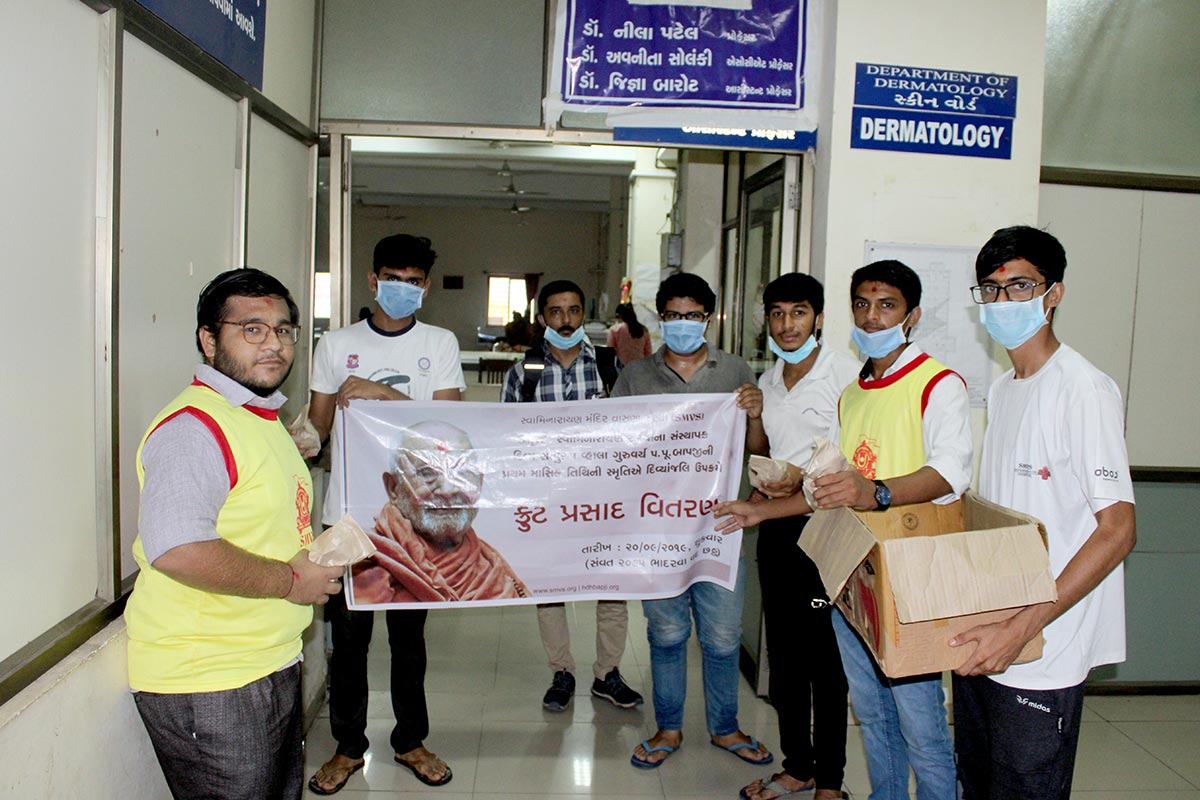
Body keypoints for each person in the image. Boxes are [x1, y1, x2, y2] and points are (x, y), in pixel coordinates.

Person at [715, 261, 972, 800]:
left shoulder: (938, 383)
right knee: (873, 711)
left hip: (909, 568)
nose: (872, 317)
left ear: (912, 315)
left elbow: (951, 473)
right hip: (851, 562)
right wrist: (759, 512)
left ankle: (841, 782)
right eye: (863, 304)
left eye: (887, 306)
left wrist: (876, 492)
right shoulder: (855, 392)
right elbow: (828, 485)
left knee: (920, 723)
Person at [125, 268, 344, 800]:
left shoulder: (258, 417)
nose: (274, 344)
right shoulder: (195, 428)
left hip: (265, 661)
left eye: (284, 330)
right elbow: (178, 549)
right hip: (212, 680)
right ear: (208, 339)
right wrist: (292, 581)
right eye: (252, 329)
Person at [950, 226, 1136, 799]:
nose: (1003, 301)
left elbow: (1118, 530)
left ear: (1053, 293)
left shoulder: (1084, 390)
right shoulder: (1005, 389)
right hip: (990, 633)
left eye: (1020, 286)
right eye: (991, 288)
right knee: (977, 782)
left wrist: (1022, 626)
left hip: (1044, 645)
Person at [306, 233, 466, 795]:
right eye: (393, 278)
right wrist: (287, 434)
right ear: (373, 281)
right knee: (349, 639)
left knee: (409, 638)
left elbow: (446, 427)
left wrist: (380, 393)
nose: (403, 288)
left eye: (414, 281)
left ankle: (410, 741)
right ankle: (348, 747)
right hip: (349, 516)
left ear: (426, 287)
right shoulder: (335, 345)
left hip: (413, 516)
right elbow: (316, 429)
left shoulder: (439, 343)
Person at [609, 272, 773, 770]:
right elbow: (613, 447)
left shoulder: (735, 371)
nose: (683, 324)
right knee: (666, 634)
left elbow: (758, 451)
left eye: (693, 315)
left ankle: (725, 727)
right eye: (674, 315)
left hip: (719, 528)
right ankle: (668, 728)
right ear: (661, 318)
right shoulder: (635, 377)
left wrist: (756, 414)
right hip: (657, 531)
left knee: (722, 636)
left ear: (709, 318)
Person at [715, 273, 860, 800]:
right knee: (785, 657)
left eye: (798, 312)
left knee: (826, 661)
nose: (786, 324)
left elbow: (850, 465)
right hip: (777, 528)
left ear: (818, 318)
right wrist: (755, 414)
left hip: (828, 529)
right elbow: (763, 450)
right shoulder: (770, 378)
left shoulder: (849, 376)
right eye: (776, 314)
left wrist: (792, 489)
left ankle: (831, 781)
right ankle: (797, 766)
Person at [500, 279, 644, 712]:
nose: (566, 320)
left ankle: (607, 674)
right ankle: (561, 671)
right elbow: (503, 438)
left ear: (584, 314)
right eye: (556, 311)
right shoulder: (523, 373)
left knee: (612, 585)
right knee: (549, 586)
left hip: (603, 499)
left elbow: (634, 428)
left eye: (574, 310)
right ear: (542, 317)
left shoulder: (608, 366)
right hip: (547, 501)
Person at [352, 420, 529, 603]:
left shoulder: (492, 572)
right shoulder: (361, 560)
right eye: (427, 473)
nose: (447, 490)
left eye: (462, 473)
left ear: (480, 483)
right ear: (393, 488)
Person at [606, 302, 652, 367]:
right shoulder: (644, 330)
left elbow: (609, 352)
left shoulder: (615, 330)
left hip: (622, 367)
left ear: (620, 316)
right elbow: (648, 353)